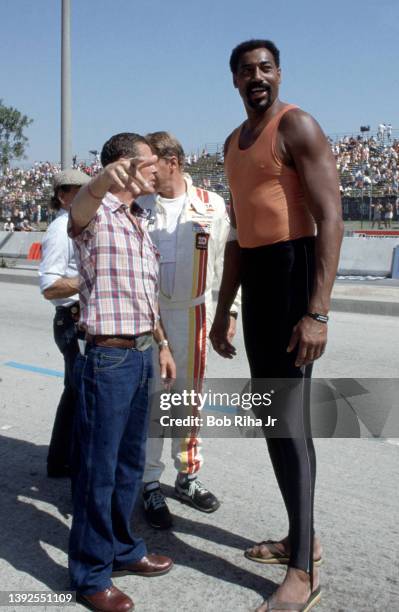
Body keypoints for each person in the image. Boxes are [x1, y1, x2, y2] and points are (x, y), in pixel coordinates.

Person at [210, 40, 343, 611]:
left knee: (290, 423)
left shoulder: (298, 126)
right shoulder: (232, 144)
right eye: (246, 70)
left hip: (295, 273)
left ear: (279, 74)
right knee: (273, 419)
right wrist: (223, 309)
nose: (256, 76)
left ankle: (303, 571)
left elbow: (332, 216)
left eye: (265, 68)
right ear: (234, 81)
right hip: (260, 280)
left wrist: (316, 311)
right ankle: (300, 536)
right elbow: (239, 235)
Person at [68, 133, 175, 612]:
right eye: (151, 163)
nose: (158, 170)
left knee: (130, 464)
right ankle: (91, 575)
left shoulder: (138, 221)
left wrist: (164, 345)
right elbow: (80, 210)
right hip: (108, 359)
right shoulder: (96, 216)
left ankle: (124, 549)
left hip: (142, 354)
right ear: (127, 167)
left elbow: (144, 295)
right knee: (98, 471)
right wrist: (99, 183)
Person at [137, 131, 239, 528]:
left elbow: (224, 265)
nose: (145, 172)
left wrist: (230, 313)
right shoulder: (140, 207)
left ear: (173, 162)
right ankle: (148, 482)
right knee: (153, 401)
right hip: (151, 316)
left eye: (150, 164)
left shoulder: (210, 205)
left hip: (196, 314)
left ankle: (188, 476)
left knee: (189, 400)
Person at [39, 169, 90, 478]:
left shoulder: (75, 224)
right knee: (79, 391)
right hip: (71, 319)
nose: (87, 194)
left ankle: (60, 461)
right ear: (63, 195)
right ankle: (65, 461)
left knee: (74, 391)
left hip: (77, 318)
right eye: (80, 190)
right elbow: (50, 286)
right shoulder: (60, 229)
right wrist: (90, 278)